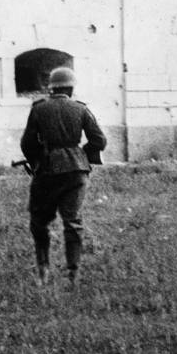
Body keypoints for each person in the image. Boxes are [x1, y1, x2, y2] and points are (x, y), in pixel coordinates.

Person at [20, 66, 107, 285]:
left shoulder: (39, 109)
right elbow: (99, 140)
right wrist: (82, 155)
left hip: (47, 170)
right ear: (71, 89)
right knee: (73, 221)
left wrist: (37, 161)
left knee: (39, 221)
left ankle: (43, 270)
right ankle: (73, 275)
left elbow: (27, 143)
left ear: (51, 88)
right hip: (77, 171)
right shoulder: (81, 109)